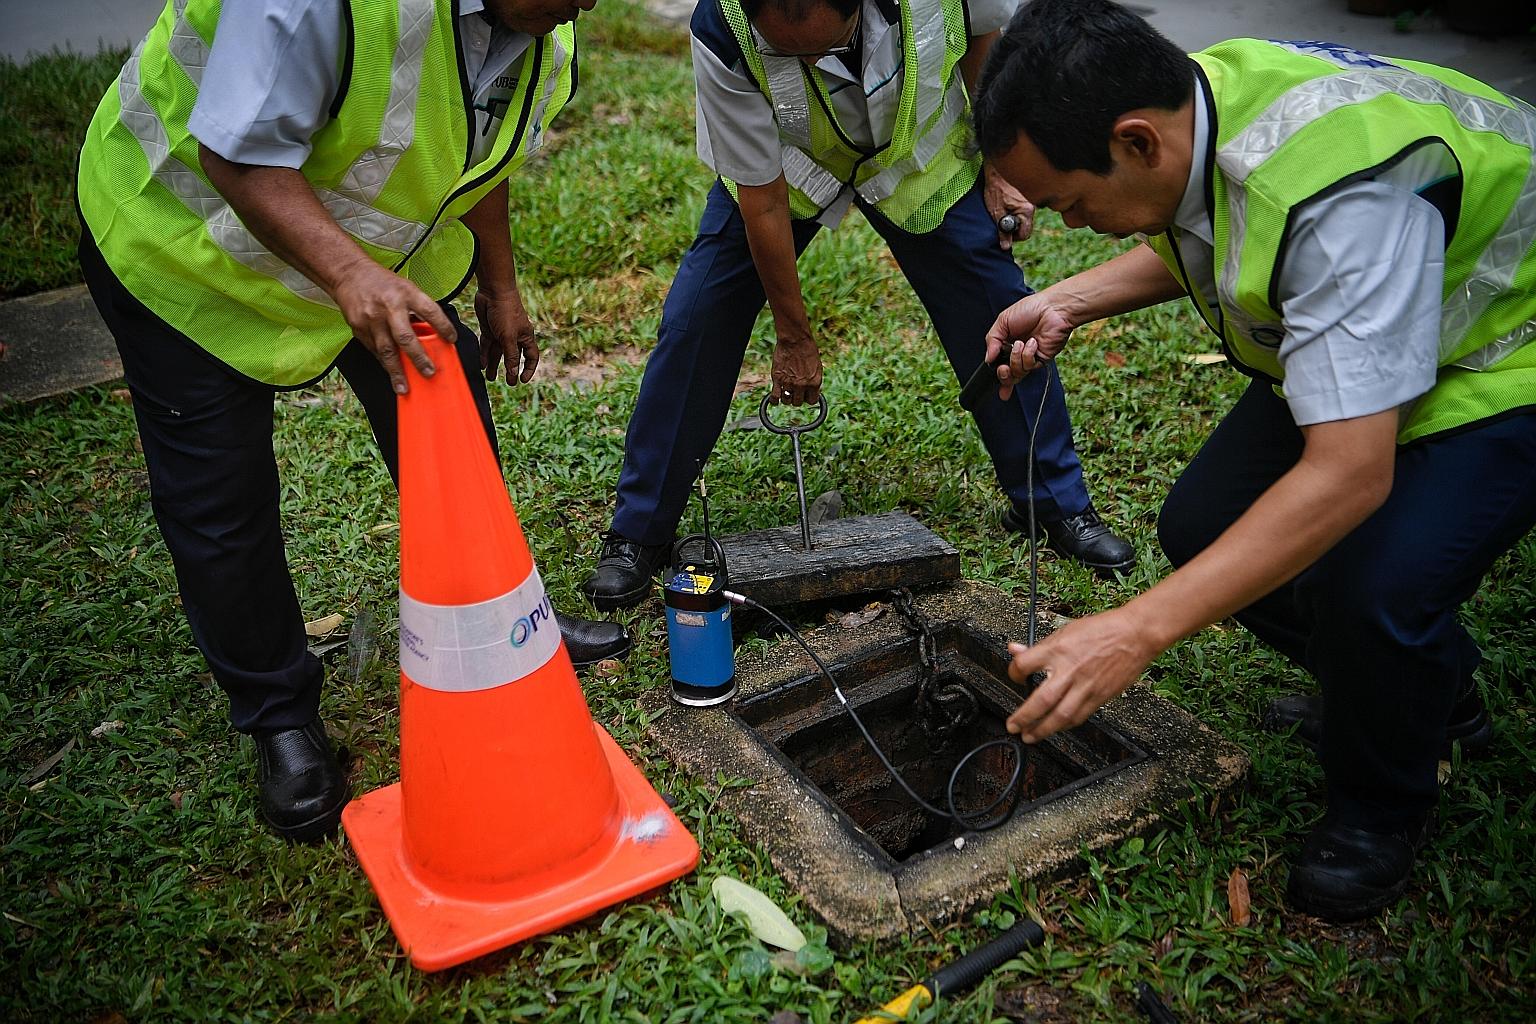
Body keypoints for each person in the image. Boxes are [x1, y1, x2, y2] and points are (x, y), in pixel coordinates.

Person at [973, 0, 1536, 922]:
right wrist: (1076, 298)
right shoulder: (1204, 98)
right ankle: (1424, 692)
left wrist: (1135, 630)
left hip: (1499, 352)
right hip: (1369, 327)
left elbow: (1352, 472)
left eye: (1072, 203)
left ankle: (1380, 806)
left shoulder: (1343, 198)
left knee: (1372, 587)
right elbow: (1226, 224)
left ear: (1136, 141)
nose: (1071, 224)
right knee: (1204, 526)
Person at [75, 0, 629, 843]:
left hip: (371, 266)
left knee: (452, 431)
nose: (586, 4)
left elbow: (477, 149)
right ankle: (279, 719)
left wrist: (498, 282)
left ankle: (513, 627)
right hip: (185, 251)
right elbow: (239, 150)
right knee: (222, 499)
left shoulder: (546, 23)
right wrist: (349, 278)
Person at [579, 0, 1135, 611]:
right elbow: (761, 200)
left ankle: (1056, 507)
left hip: (919, 166)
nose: (811, 64)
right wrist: (793, 335)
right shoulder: (723, 24)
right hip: (790, 171)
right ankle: (638, 533)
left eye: (825, 47)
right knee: (695, 320)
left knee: (1002, 310)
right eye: (787, 54)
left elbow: (986, 39)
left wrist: (999, 166)